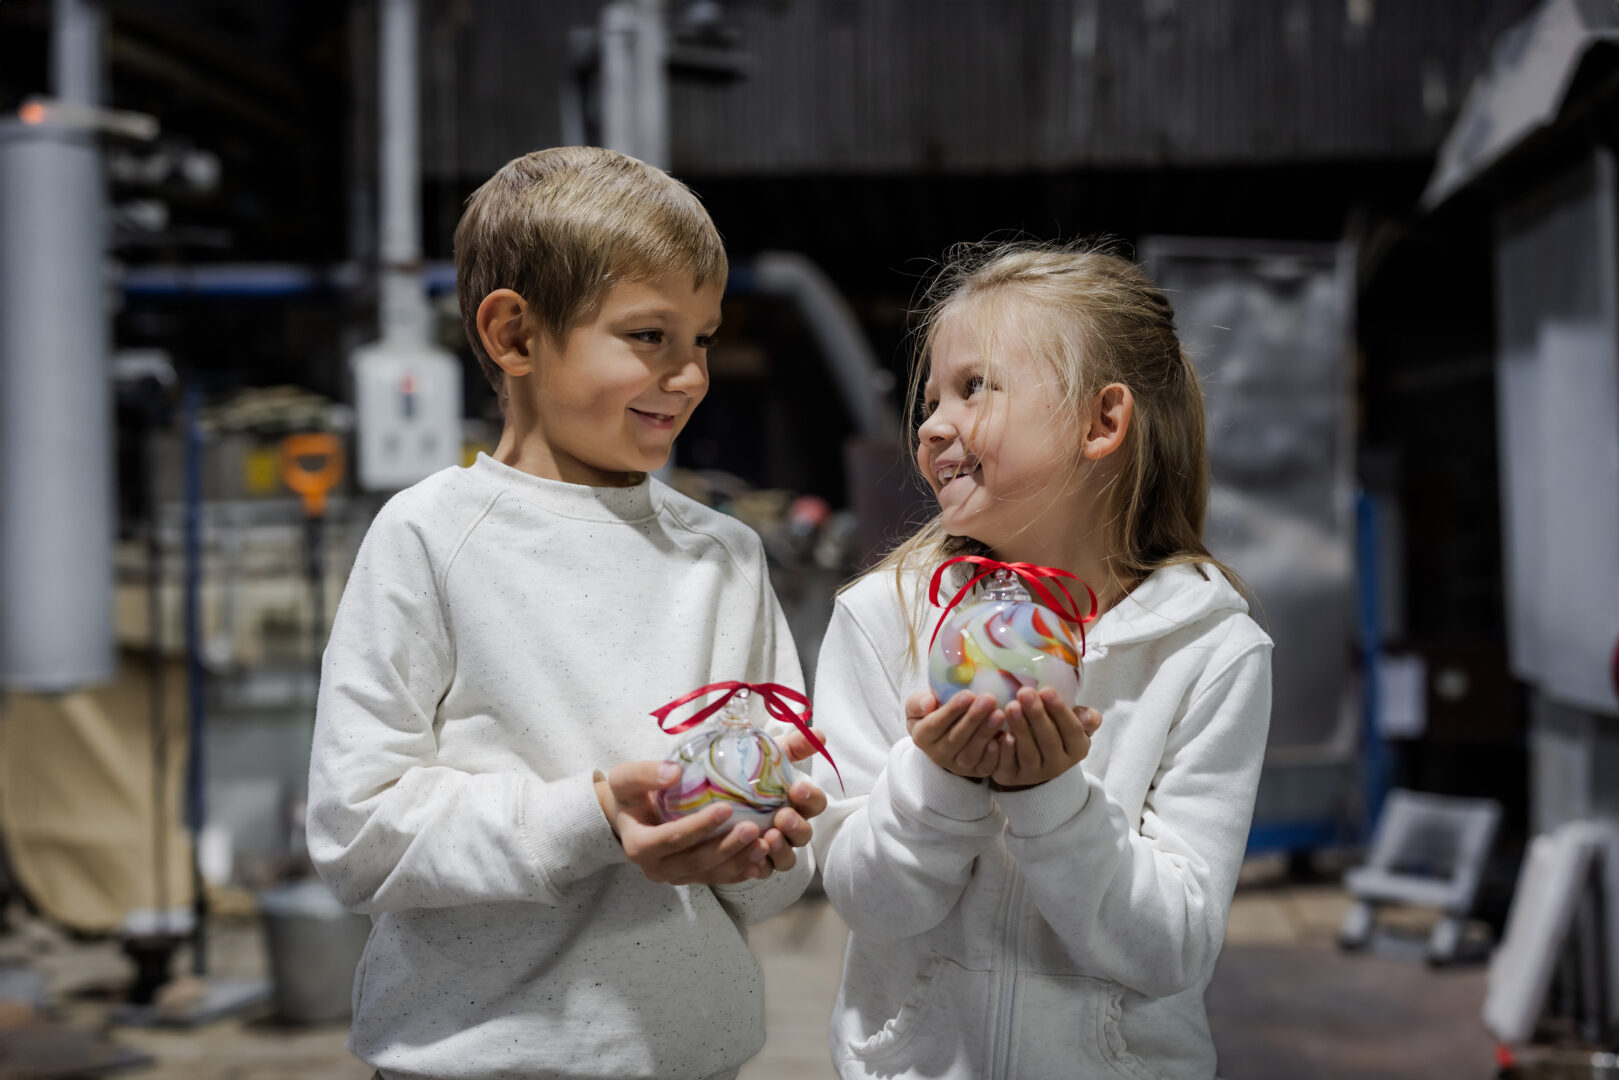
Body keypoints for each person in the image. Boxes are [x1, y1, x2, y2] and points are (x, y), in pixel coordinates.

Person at [306, 146, 826, 1080]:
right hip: (469, 1061)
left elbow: (784, 808)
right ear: (514, 336)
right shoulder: (429, 537)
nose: (690, 375)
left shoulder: (724, 556)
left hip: (691, 1055)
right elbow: (355, 835)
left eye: (701, 338)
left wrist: (768, 844)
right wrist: (590, 816)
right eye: (648, 336)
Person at [808, 241, 1273, 1079]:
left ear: (1102, 422)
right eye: (930, 398)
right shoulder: (883, 621)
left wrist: (1050, 798)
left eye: (972, 388)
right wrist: (941, 782)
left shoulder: (1209, 651)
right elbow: (866, 900)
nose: (931, 424)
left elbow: (1172, 949)